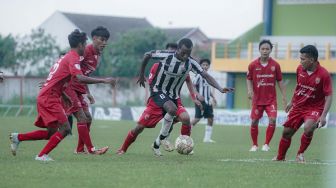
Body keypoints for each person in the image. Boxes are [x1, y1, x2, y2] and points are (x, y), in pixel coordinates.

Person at [9, 29, 117, 161]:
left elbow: (61, 75)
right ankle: (44, 155)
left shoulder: (68, 56)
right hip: (50, 97)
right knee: (67, 128)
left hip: (51, 95)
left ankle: (18, 138)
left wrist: (63, 94)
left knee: (51, 133)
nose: (86, 46)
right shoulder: (74, 58)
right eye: (85, 43)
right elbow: (79, 77)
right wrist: (104, 81)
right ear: (81, 45)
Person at [116, 38, 234, 156]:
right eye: (183, 52)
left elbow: (205, 76)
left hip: (174, 96)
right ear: (177, 49)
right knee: (140, 127)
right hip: (158, 92)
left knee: (186, 118)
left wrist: (219, 88)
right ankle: (123, 148)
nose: (185, 55)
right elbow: (147, 55)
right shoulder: (166, 55)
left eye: (188, 53)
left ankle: (181, 144)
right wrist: (141, 75)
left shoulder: (190, 63)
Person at [273, 45, 332, 162]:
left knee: (309, 127)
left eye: (303, 59)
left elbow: (329, 95)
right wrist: (292, 101)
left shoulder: (324, 74)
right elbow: (299, 86)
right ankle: (280, 157)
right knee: (286, 133)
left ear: (312, 60)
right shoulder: (299, 69)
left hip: (314, 108)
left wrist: (323, 115)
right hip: (299, 106)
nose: (300, 61)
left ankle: (300, 154)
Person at [62, 26, 111, 155]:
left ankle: (79, 149)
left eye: (106, 40)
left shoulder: (97, 54)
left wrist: (88, 93)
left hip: (79, 89)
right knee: (82, 118)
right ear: (94, 38)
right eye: (102, 39)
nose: (104, 43)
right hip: (69, 87)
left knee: (88, 117)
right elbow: (71, 67)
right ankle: (91, 149)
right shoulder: (85, 51)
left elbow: (84, 75)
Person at [150, 43, 202, 153]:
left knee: (186, 118)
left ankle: (184, 142)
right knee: (142, 126)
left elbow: (189, 81)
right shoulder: (157, 66)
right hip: (160, 97)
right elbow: (151, 82)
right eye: (169, 51)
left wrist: (194, 97)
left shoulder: (184, 67)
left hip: (175, 98)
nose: (172, 54)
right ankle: (162, 139)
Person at [246, 39, 287, 152]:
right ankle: (254, 145)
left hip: (270, 100)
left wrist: (284, 96)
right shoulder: (253, 65)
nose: (265, 51)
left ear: (270, 50)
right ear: (259, 50)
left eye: (267, 49)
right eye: (263, 49)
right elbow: (248, 79)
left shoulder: (275, 65)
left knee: (273, 120)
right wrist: (250, 90)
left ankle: (266, 144)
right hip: (257, 100)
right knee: (254, 121)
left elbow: (280, 81)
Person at [191, 58, 217, 143]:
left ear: (209, 66)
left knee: (210, 119)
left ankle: (207, 139)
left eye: (207, 65)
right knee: (197, 119)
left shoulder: (208, 77)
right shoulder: (199, 75)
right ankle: (184, 133)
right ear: (200, 66)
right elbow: (193, 86)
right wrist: (198, 95)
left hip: (208, 101)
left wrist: (213, 97)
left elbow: (208, 89)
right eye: (203, 65)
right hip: (200, 101)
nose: (205, 66)